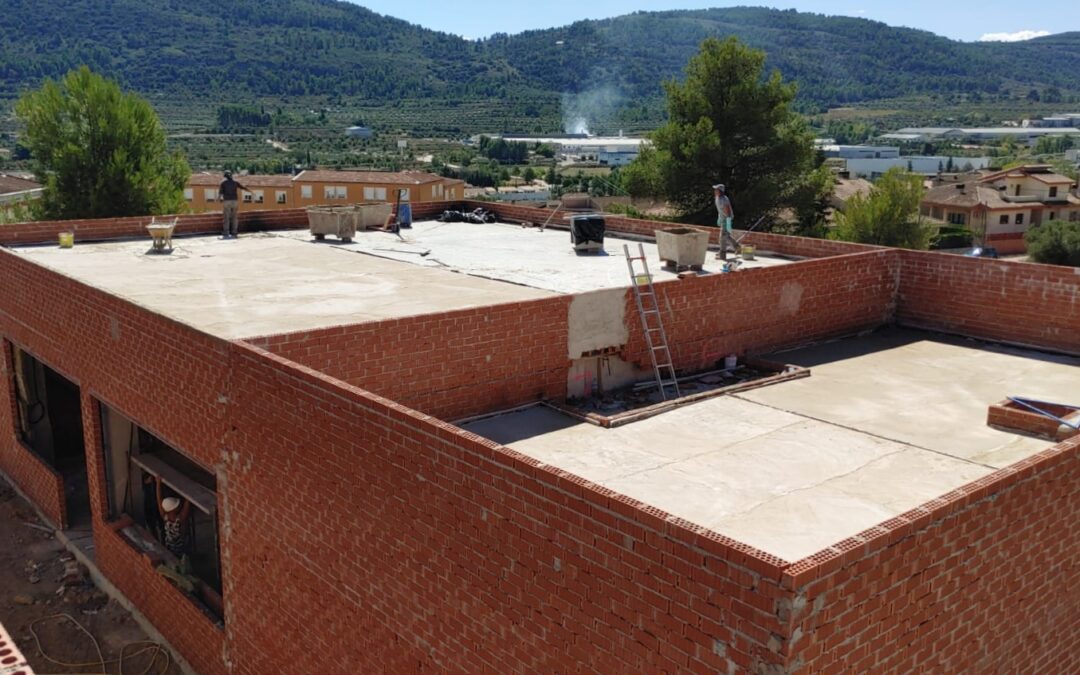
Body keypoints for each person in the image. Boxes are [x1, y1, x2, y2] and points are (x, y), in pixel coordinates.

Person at [155, 476, 191, 558]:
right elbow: (187, 502)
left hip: (169, 549)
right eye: (177, 505)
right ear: (173, 509)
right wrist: (188, 488)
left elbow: (159, 499)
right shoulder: (180, 519)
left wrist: (158, 484)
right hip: (181, 551)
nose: (179, 505)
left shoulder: (165, 516)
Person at [219, 170, 248, 238]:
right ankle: (234, 232)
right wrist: (247, 188)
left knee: (226, 217)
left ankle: (226, 232)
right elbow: (243, 187)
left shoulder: (223, 183)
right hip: (235, 201)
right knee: (235, 217)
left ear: (225, 176)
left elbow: (220, 193)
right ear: (231, 175)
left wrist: (219, 199)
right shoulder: (235, 182)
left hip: (227, 201)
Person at [713, 183, 738, 261]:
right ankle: (737, 246)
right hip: (722, 218)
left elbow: (728, 210)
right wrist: (719, 218)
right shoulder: (717, 198)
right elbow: (719, 210)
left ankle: (722, 254)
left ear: (720, 191)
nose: (715, 191)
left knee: (723, 237)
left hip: (727, 218)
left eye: (716, 189)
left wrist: (728, 222)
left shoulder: (724, 199)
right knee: (726, 236)